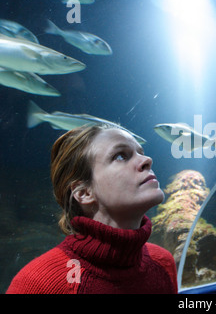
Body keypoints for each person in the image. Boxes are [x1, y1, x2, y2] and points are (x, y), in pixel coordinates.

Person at [7, 124, 178, 294]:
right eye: (120, 156)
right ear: (84, 193)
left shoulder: (163, 262)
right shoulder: (38, 284)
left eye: (140, 152)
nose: (147, 160)